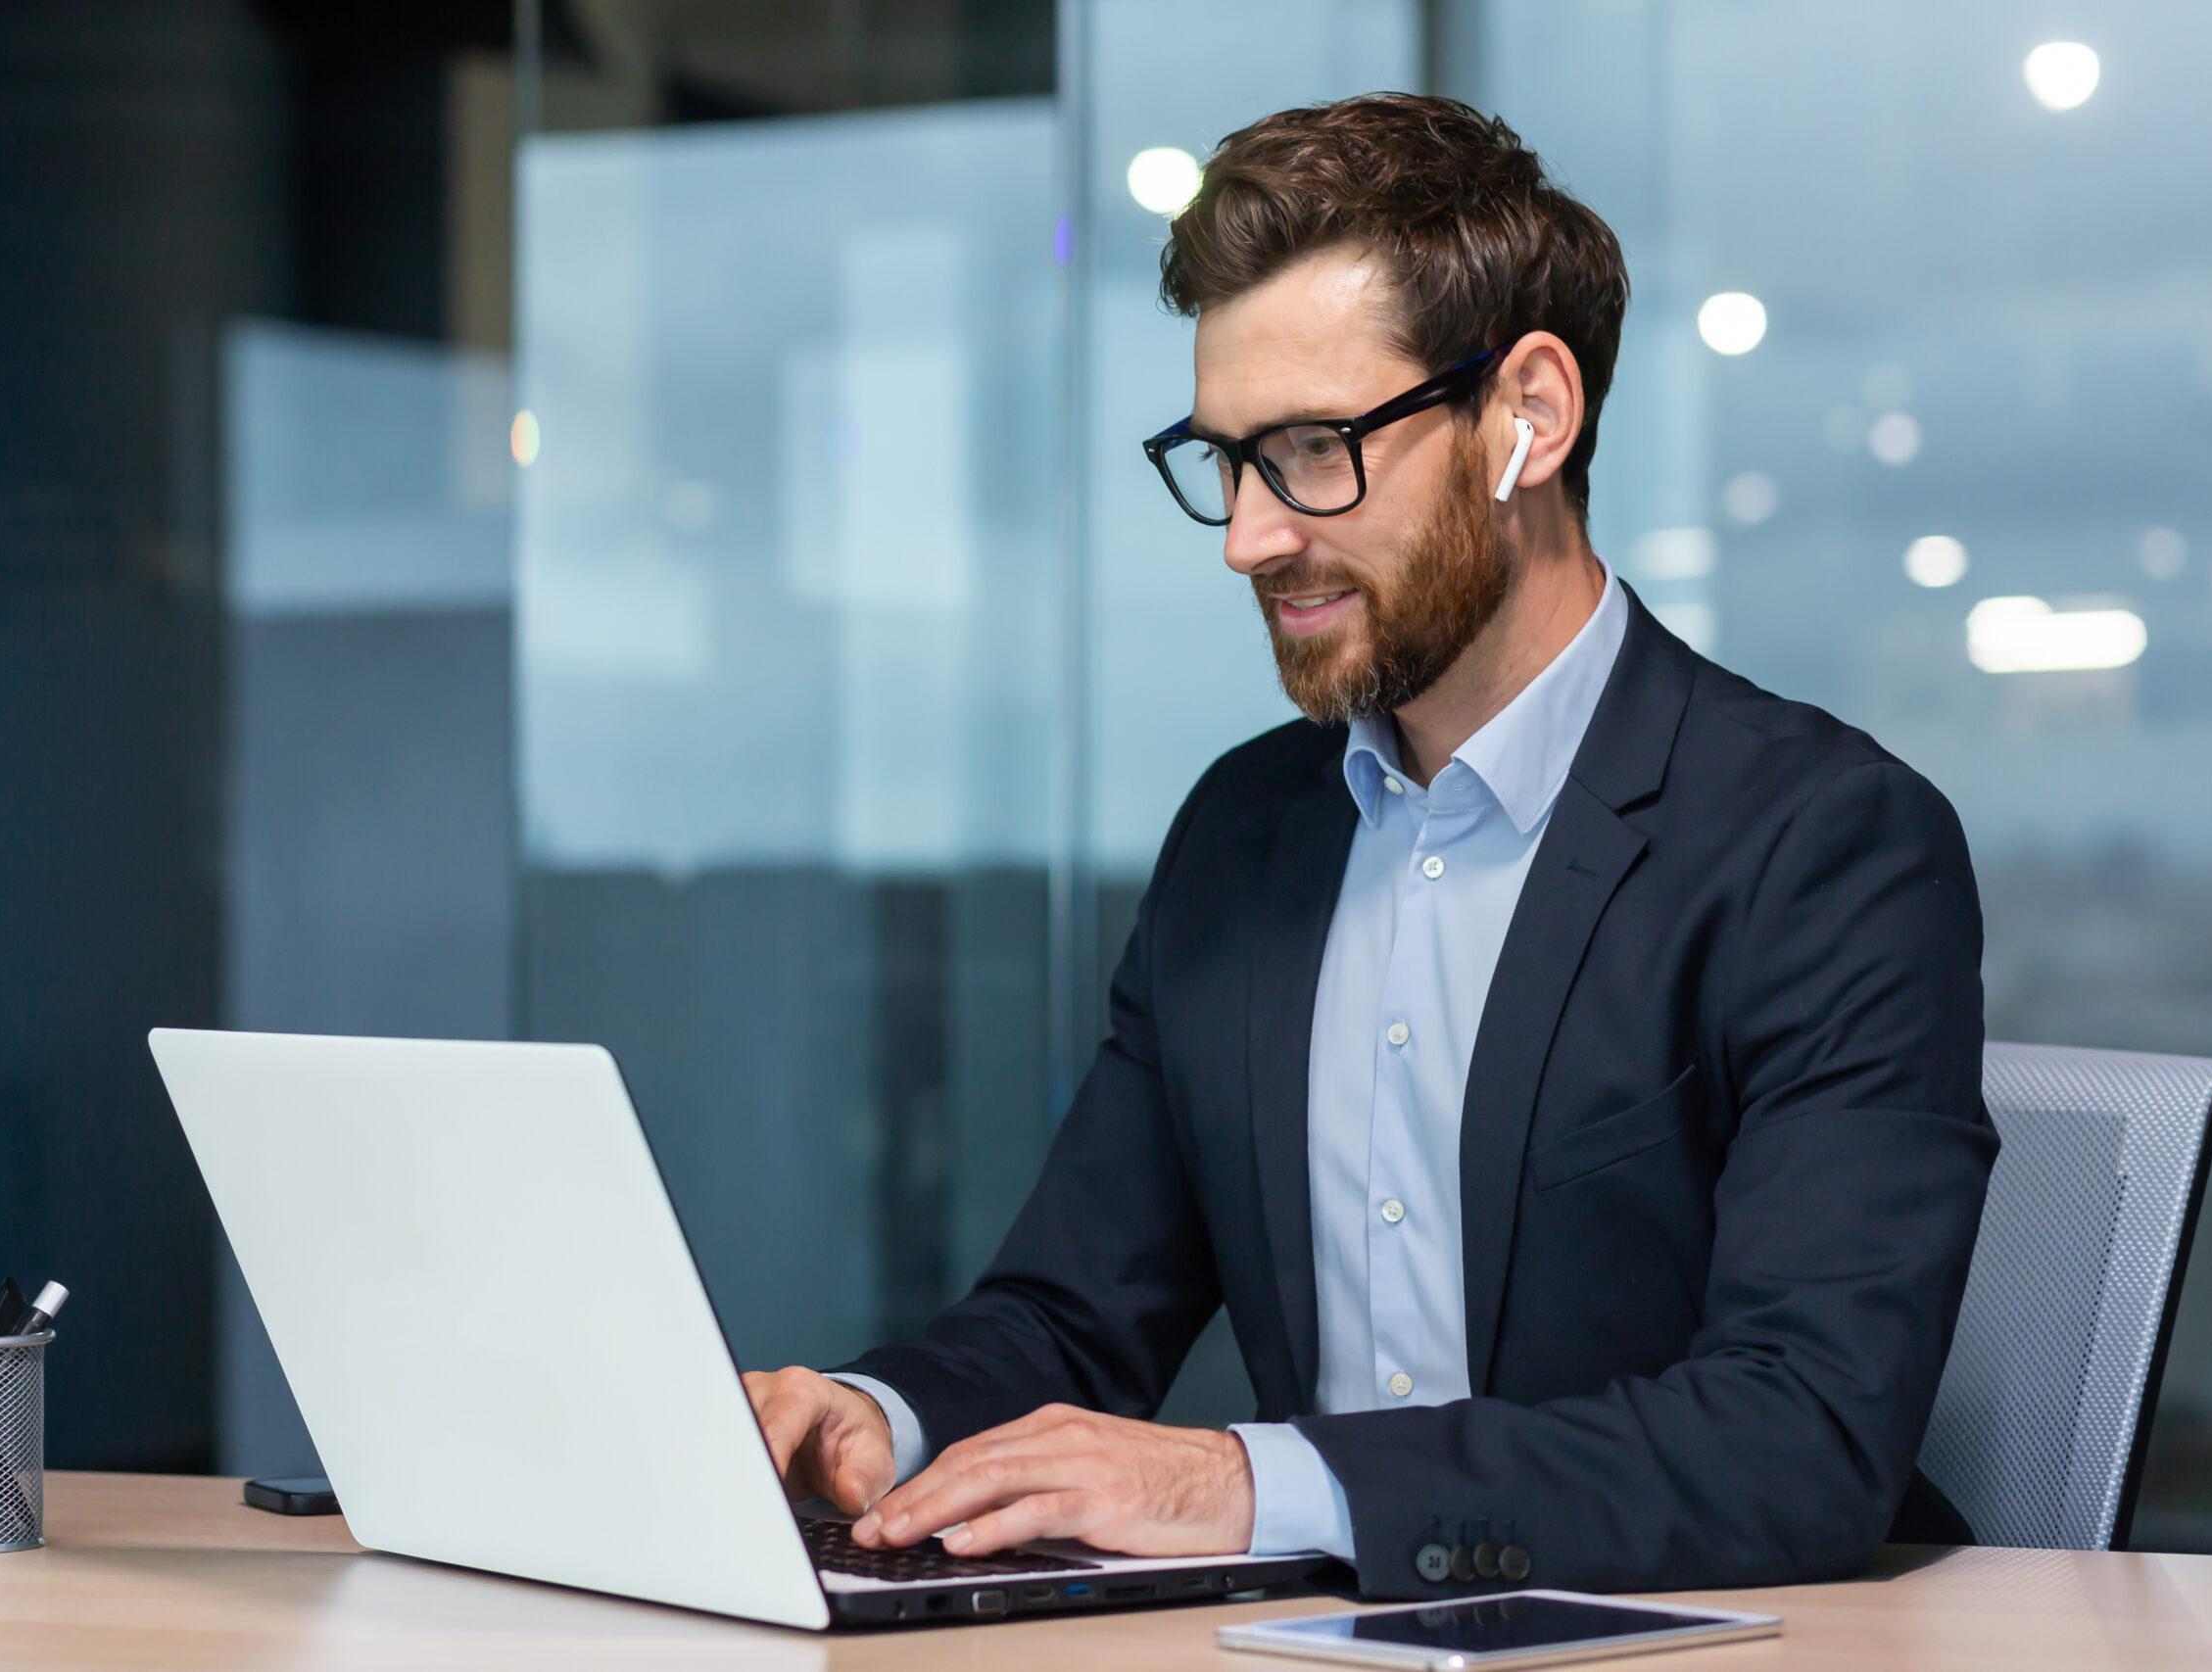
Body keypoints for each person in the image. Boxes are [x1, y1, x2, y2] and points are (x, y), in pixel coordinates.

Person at [747, 91, 1996, 1599]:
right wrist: (872, 1421)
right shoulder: (1245, 835)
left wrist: (1251, 1480)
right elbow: (1073, 1314)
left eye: (1313, 449)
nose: (1248, 538)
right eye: (1225, 461)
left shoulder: (1824, 844)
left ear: (1526, 417)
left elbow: (1800, 1436)